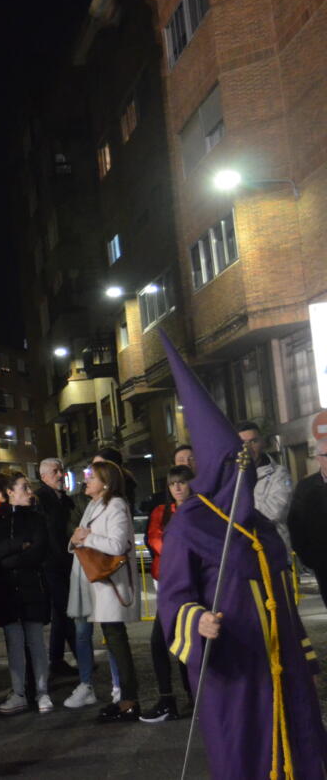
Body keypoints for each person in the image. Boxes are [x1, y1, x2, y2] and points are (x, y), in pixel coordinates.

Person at [158, 331, 327, 779]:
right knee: (245, 752)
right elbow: (173, 599)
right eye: (232, 463)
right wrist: (197, 621)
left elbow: (285, 599)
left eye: (246, 463)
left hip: (282, 660)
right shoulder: (189, 524)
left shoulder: (262, 526)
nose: (242, 472)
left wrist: (306, 659)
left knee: (300, 744)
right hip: (234, 668)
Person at [64, 460, 141, 721]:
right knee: (113, 638)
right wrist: (78, 539)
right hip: (99, 582)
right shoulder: (94, 504)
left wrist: (86, 537)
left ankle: (129, 700)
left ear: (106, 483)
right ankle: (126, 699)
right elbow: (78, 536)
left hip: (111, 583)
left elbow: (119, 545)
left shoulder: (116, 505)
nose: (86, 480)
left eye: (92, 477)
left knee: (117, 640)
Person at [0, 472, 51, 715]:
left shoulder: (36, 517)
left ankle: (42, 691)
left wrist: (6, 557)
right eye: (24, 487)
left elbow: (39, 550)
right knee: (14, 642)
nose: (30, 492)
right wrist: (19, 545)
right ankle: (18, 691)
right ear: (10, 491)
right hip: (6, 588)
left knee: (36, 641)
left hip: (32, 585)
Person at [139, 464, 194, 723]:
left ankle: (193, 696)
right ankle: (167, 698)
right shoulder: (161, 511)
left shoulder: (200, 509)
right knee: (160, 642)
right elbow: (155, 539)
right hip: (169, 584)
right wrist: (180, 548)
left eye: (182, 482)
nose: (178, 488)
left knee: (187, 643)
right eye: (173, 484)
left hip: (193, 584)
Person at [35, 458, 78, 678]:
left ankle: (57, 659)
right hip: (53, 563)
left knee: (61, 612)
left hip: (61, 562)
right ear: (43, 477)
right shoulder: (43, 498)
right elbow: (50, 533)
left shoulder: (62, 498)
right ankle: (79, 656)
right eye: (55, 472)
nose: (60, 475)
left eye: (61, 470)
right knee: (65, 610)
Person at [239, 421, 293, 553]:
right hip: (243, 550)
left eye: (253, 441)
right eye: (243, 443)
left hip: (273, 550)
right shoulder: (232, 476)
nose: (248, 448)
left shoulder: (279, 474)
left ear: (262, 442)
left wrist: (239, 510)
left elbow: (275, 512)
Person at [290, 437, 327, 607]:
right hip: (323, 560)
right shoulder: (306, 488)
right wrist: (308, 557)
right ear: (318, 457)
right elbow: (296, 524)